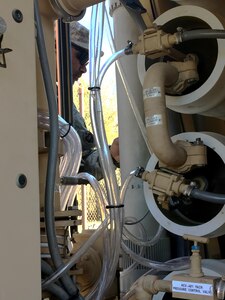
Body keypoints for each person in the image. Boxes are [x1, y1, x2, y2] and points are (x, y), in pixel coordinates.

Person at [70, 21, 120, 180]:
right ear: (56, 46)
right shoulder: (28, 92)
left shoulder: (63, 103)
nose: (84, 68)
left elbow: (80, 164)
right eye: (82, 57)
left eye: (87, 61)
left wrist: (112, 156)